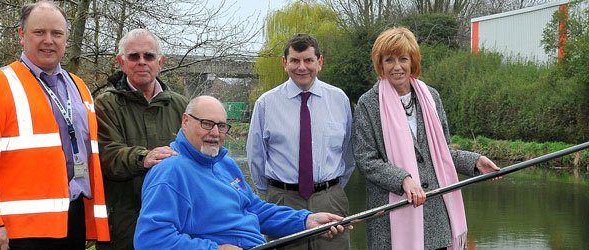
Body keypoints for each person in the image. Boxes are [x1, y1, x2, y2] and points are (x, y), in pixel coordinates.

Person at [0, 1, 110, 249]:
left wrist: (89, 221)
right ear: (21, 35)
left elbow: (86, 153)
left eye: (57, 33)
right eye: (39, 32)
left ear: (66, 39)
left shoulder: (80, 87)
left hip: (71, 218)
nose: (48, 40)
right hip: (18, 228)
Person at [134, 96, 351, 249]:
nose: (215, 133)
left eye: (221, 126)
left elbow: (255, 210)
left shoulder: (225, 164)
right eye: (207, 124)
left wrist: (306, 221)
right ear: (185, 121)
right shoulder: (169, 171)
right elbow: (151, 240)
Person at [352, 27, 501, 250]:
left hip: (436, 216)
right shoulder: (368, 104)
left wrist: (475, 162)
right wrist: (403, 179)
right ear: (380, 63)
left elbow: (443, 152)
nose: (397, 66)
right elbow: (366, 160)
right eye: (389, 59)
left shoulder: (431, 96)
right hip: (391, 218)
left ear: (413, 61)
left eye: (403, 58)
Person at [246, 33, 355, 250]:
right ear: (284, 63)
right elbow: (256, 156)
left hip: (330, 198)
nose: (301, 67)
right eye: (295, 60)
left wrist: (330, 190)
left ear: (320, 62)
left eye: (308, 60)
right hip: (284, 202)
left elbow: (348, 153)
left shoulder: (339, 99)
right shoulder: (266, 104)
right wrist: (273, 195)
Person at [94, 29, 188, 250]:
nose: (142, 62)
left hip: (173, 221)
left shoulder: (182, 106)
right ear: (121, 62)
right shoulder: (105, 104)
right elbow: (107, 155)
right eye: (134, 56)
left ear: (161, 62)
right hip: (123, 221)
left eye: (149, 56)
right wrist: (144, 158)